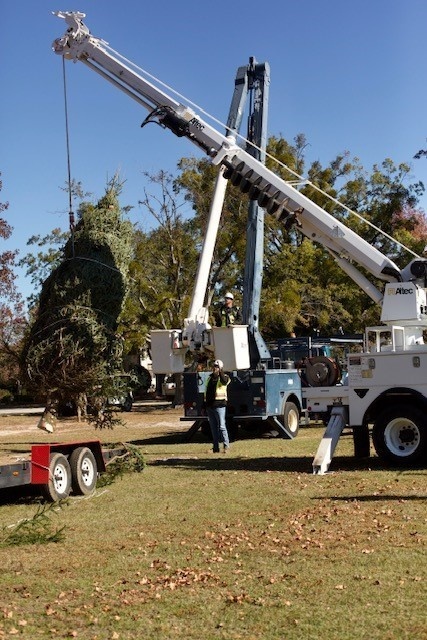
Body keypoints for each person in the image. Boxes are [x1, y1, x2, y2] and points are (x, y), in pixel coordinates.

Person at [204, 359, 231, 453]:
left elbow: (224, 382)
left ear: (220, 368)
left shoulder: (225, 377)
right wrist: (205, 405)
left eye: (216, 366)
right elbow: (207, 392)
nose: (214, 368)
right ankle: (215, 448)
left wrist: (220, 372)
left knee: (222, 426)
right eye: (214, 366)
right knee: (213, 428)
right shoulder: (209, 378)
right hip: (210, 406)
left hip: (220, 406)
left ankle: (226, 446)